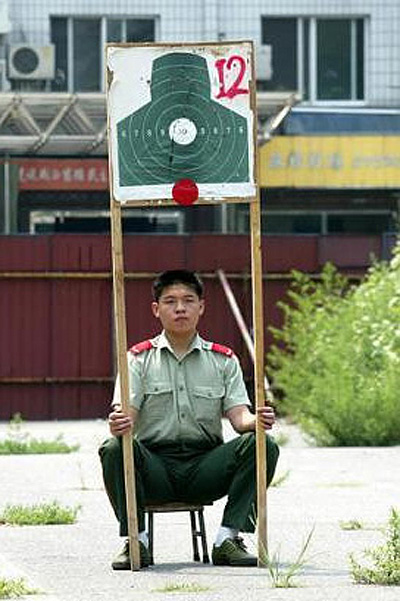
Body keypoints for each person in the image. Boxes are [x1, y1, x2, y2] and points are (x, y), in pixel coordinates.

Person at [99, 269, 279, 569]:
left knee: (263, 445)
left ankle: (228, 539)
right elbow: (124, 415)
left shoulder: (223, 360)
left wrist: (257, 420)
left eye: (188, 300)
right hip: (153, 469)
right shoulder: (138, 359)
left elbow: (239, 418)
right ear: (157, 310)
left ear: (201, 307)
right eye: (170, 301)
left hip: (205, 468)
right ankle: (136, 540)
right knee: (114, 447)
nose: (180, 308)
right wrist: (119, 423)